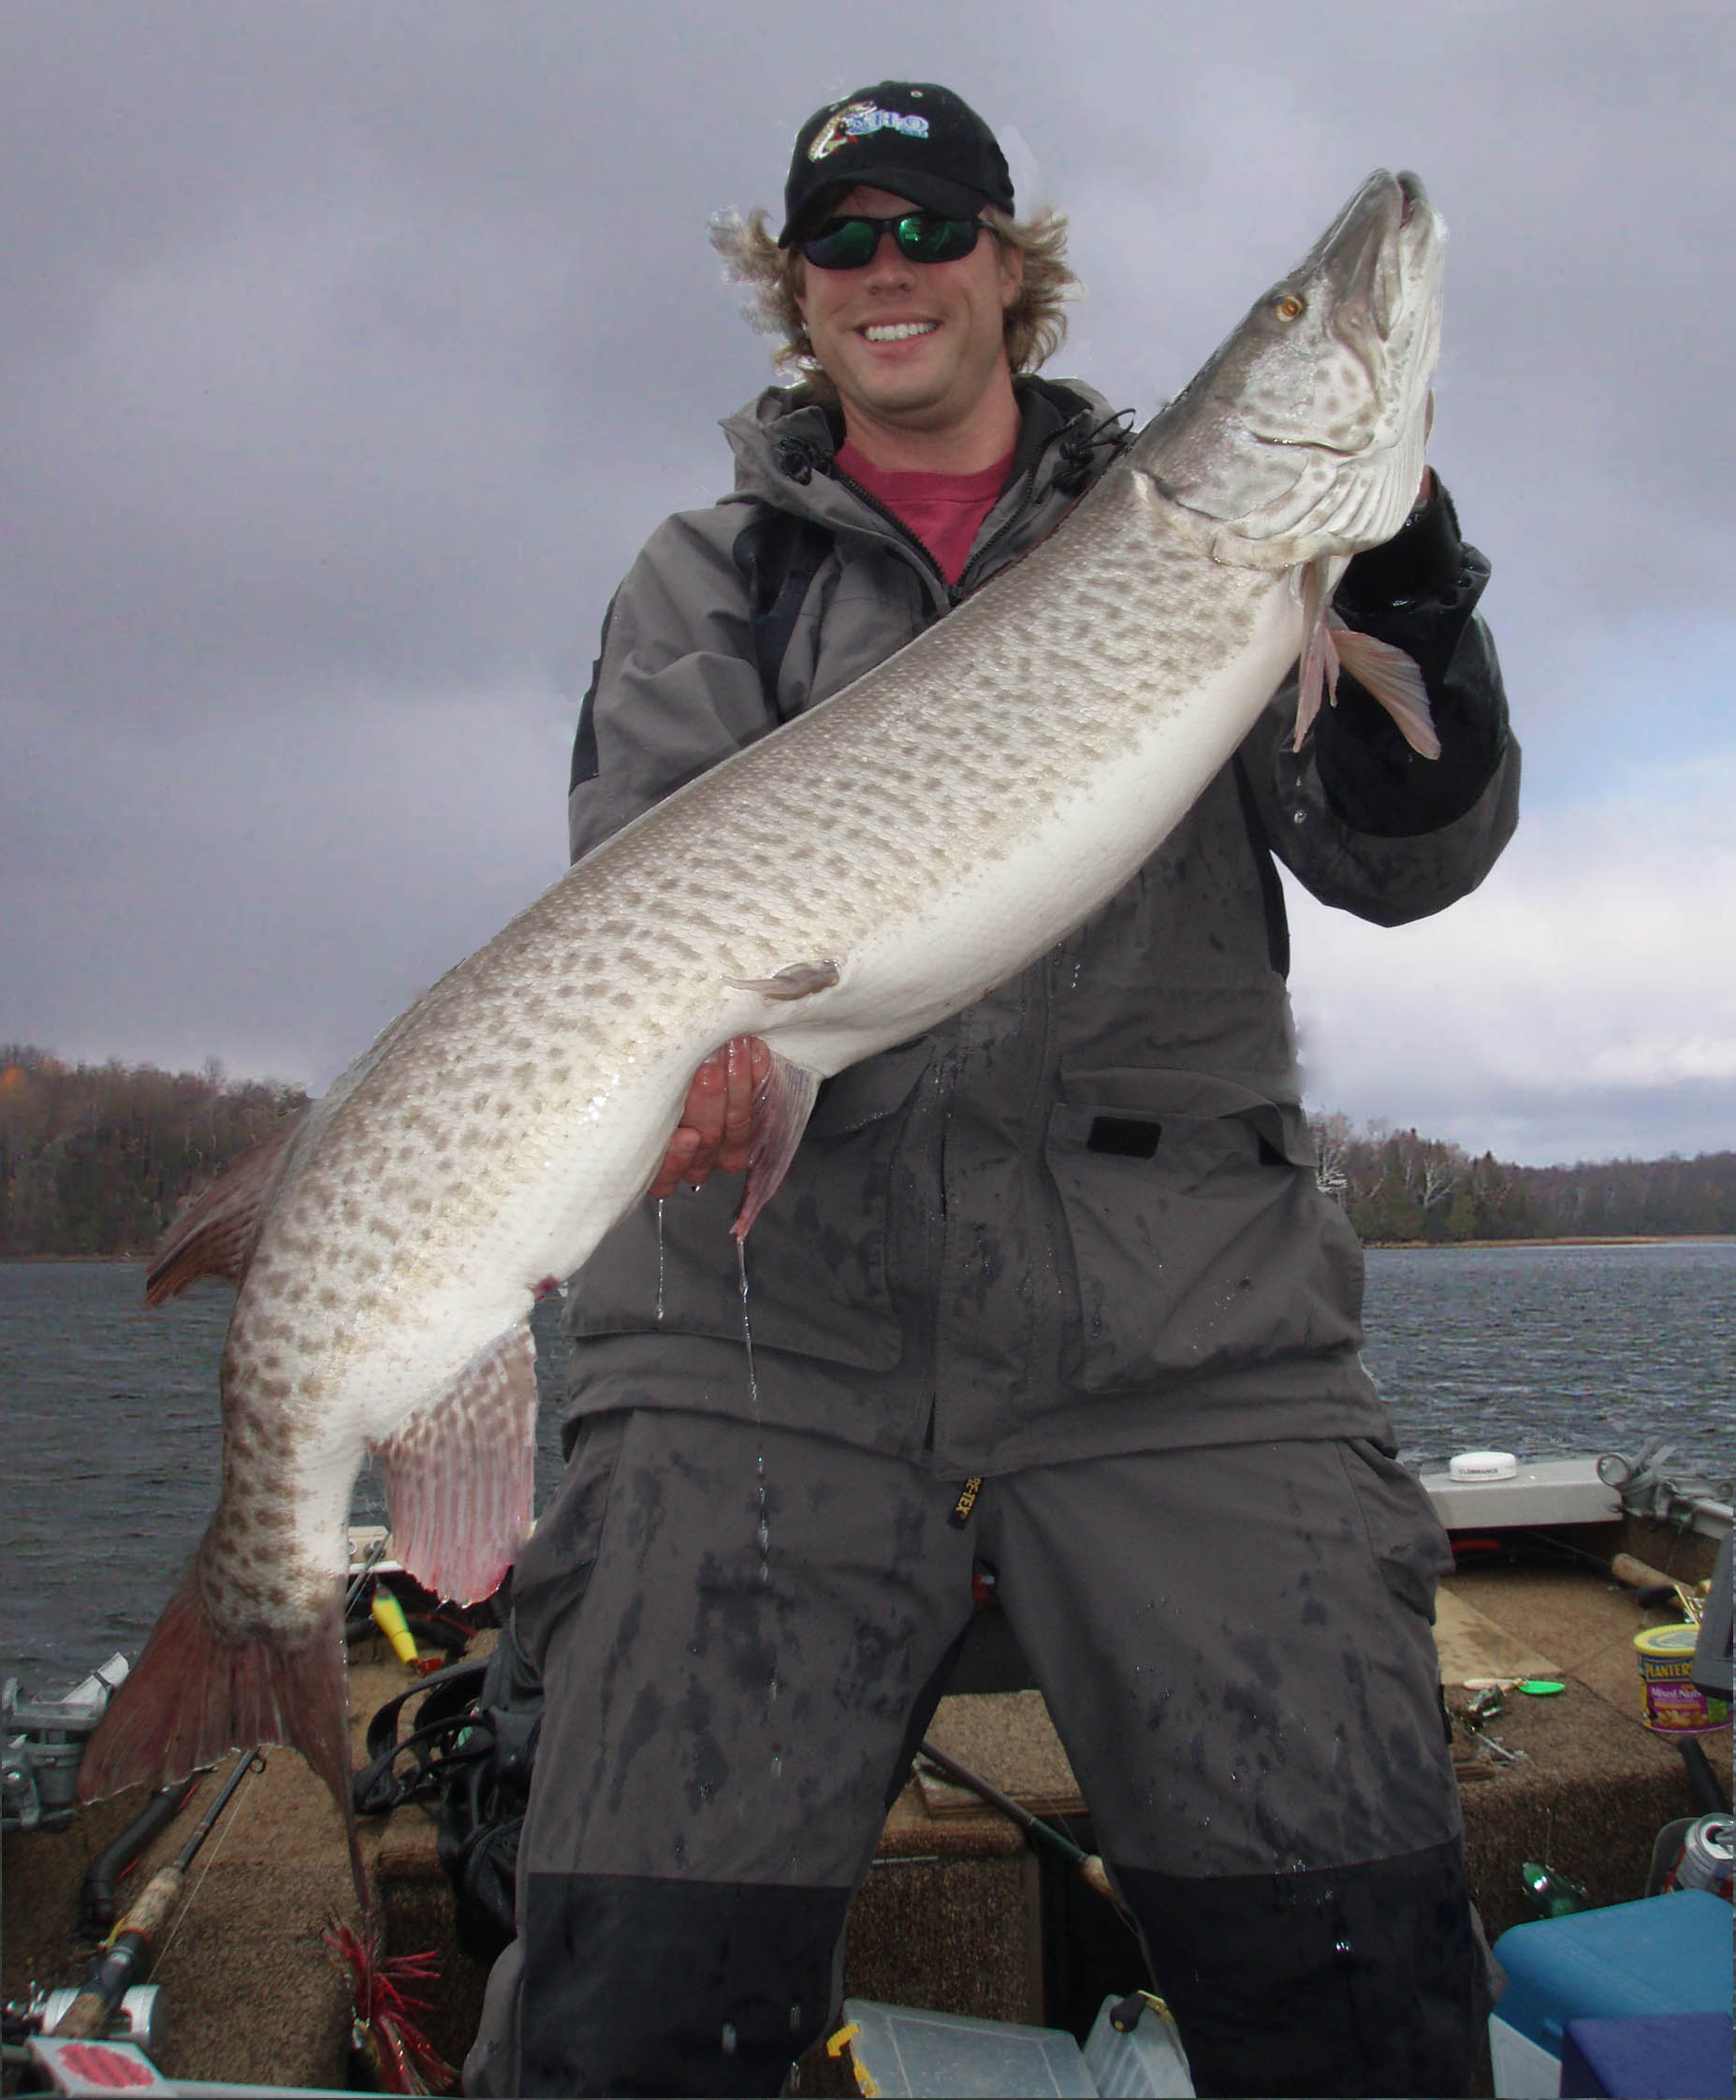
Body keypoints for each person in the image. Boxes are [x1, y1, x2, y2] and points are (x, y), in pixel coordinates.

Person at [466, 82, 1518, 2099]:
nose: (887, 274)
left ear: (1010, 269)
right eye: (839, 241)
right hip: (764, 1331)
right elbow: (657, 903)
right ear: (791, 292)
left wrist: (1405, 603)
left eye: (929, 230)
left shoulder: (1207, 536)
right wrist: (684, 1081)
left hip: (1181, 1322)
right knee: (624, 2026)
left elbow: (1403, 856)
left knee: (1359, 2010)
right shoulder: (708, 582)